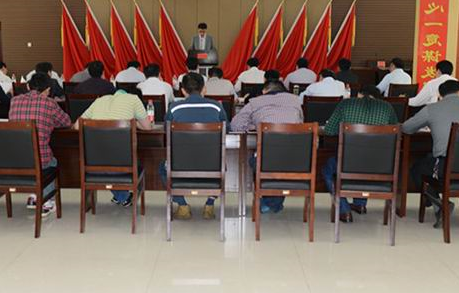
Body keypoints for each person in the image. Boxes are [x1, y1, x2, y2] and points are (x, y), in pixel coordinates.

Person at [402, 79, 459, 228]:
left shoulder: (432, 108)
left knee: (417, 168)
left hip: (445, 166)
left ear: (440, 94)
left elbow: (406, 128)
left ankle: (440, 205)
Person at [322, 85, 398, 221]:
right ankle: (360, 204)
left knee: (328, 168)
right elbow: (395, 131)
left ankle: (344, 210)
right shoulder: (387, 107)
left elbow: (328, 130)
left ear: (359, 94)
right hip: (380, 166)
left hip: (349, 164)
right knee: (368, 158)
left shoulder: (346, 104)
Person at [160, 73, 227, 220]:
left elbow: (166, 130)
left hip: (180, 167)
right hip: (212, 166)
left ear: (183, 91)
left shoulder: (174, 108)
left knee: (162, 167)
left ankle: (182, 205)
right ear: (204, 89)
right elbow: (226, 129)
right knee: (224, 165)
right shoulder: (216, 107)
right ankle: (209, 204)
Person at [231, 79, 303, 214]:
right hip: (295, 160)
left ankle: (269, 202)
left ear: (264, 91)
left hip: (265, 161)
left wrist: (255, 126)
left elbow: (235, 125)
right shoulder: (296, 101)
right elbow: (299, 124)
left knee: (257, 161)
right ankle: (272, 203)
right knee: (281, 162)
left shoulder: (255, 102)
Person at [78, 87, 154, 207]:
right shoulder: (134, 99)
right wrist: (133, 122)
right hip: (123, 167)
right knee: (136, 161)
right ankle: (124, 196)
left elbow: (77, 125)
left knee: (108, 157)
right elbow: (148, 127)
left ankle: (122, 196)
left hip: (93, 168)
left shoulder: (99, 100)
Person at [9, 73, 71, 217]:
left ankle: (34, 196)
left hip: (15, 159)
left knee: (33, 158)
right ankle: (46, 201)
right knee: (50, 161)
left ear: (28, 86)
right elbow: (66, 122)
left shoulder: (14, 100)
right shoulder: (49, 103)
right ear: (48, 89)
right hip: (39, 160)